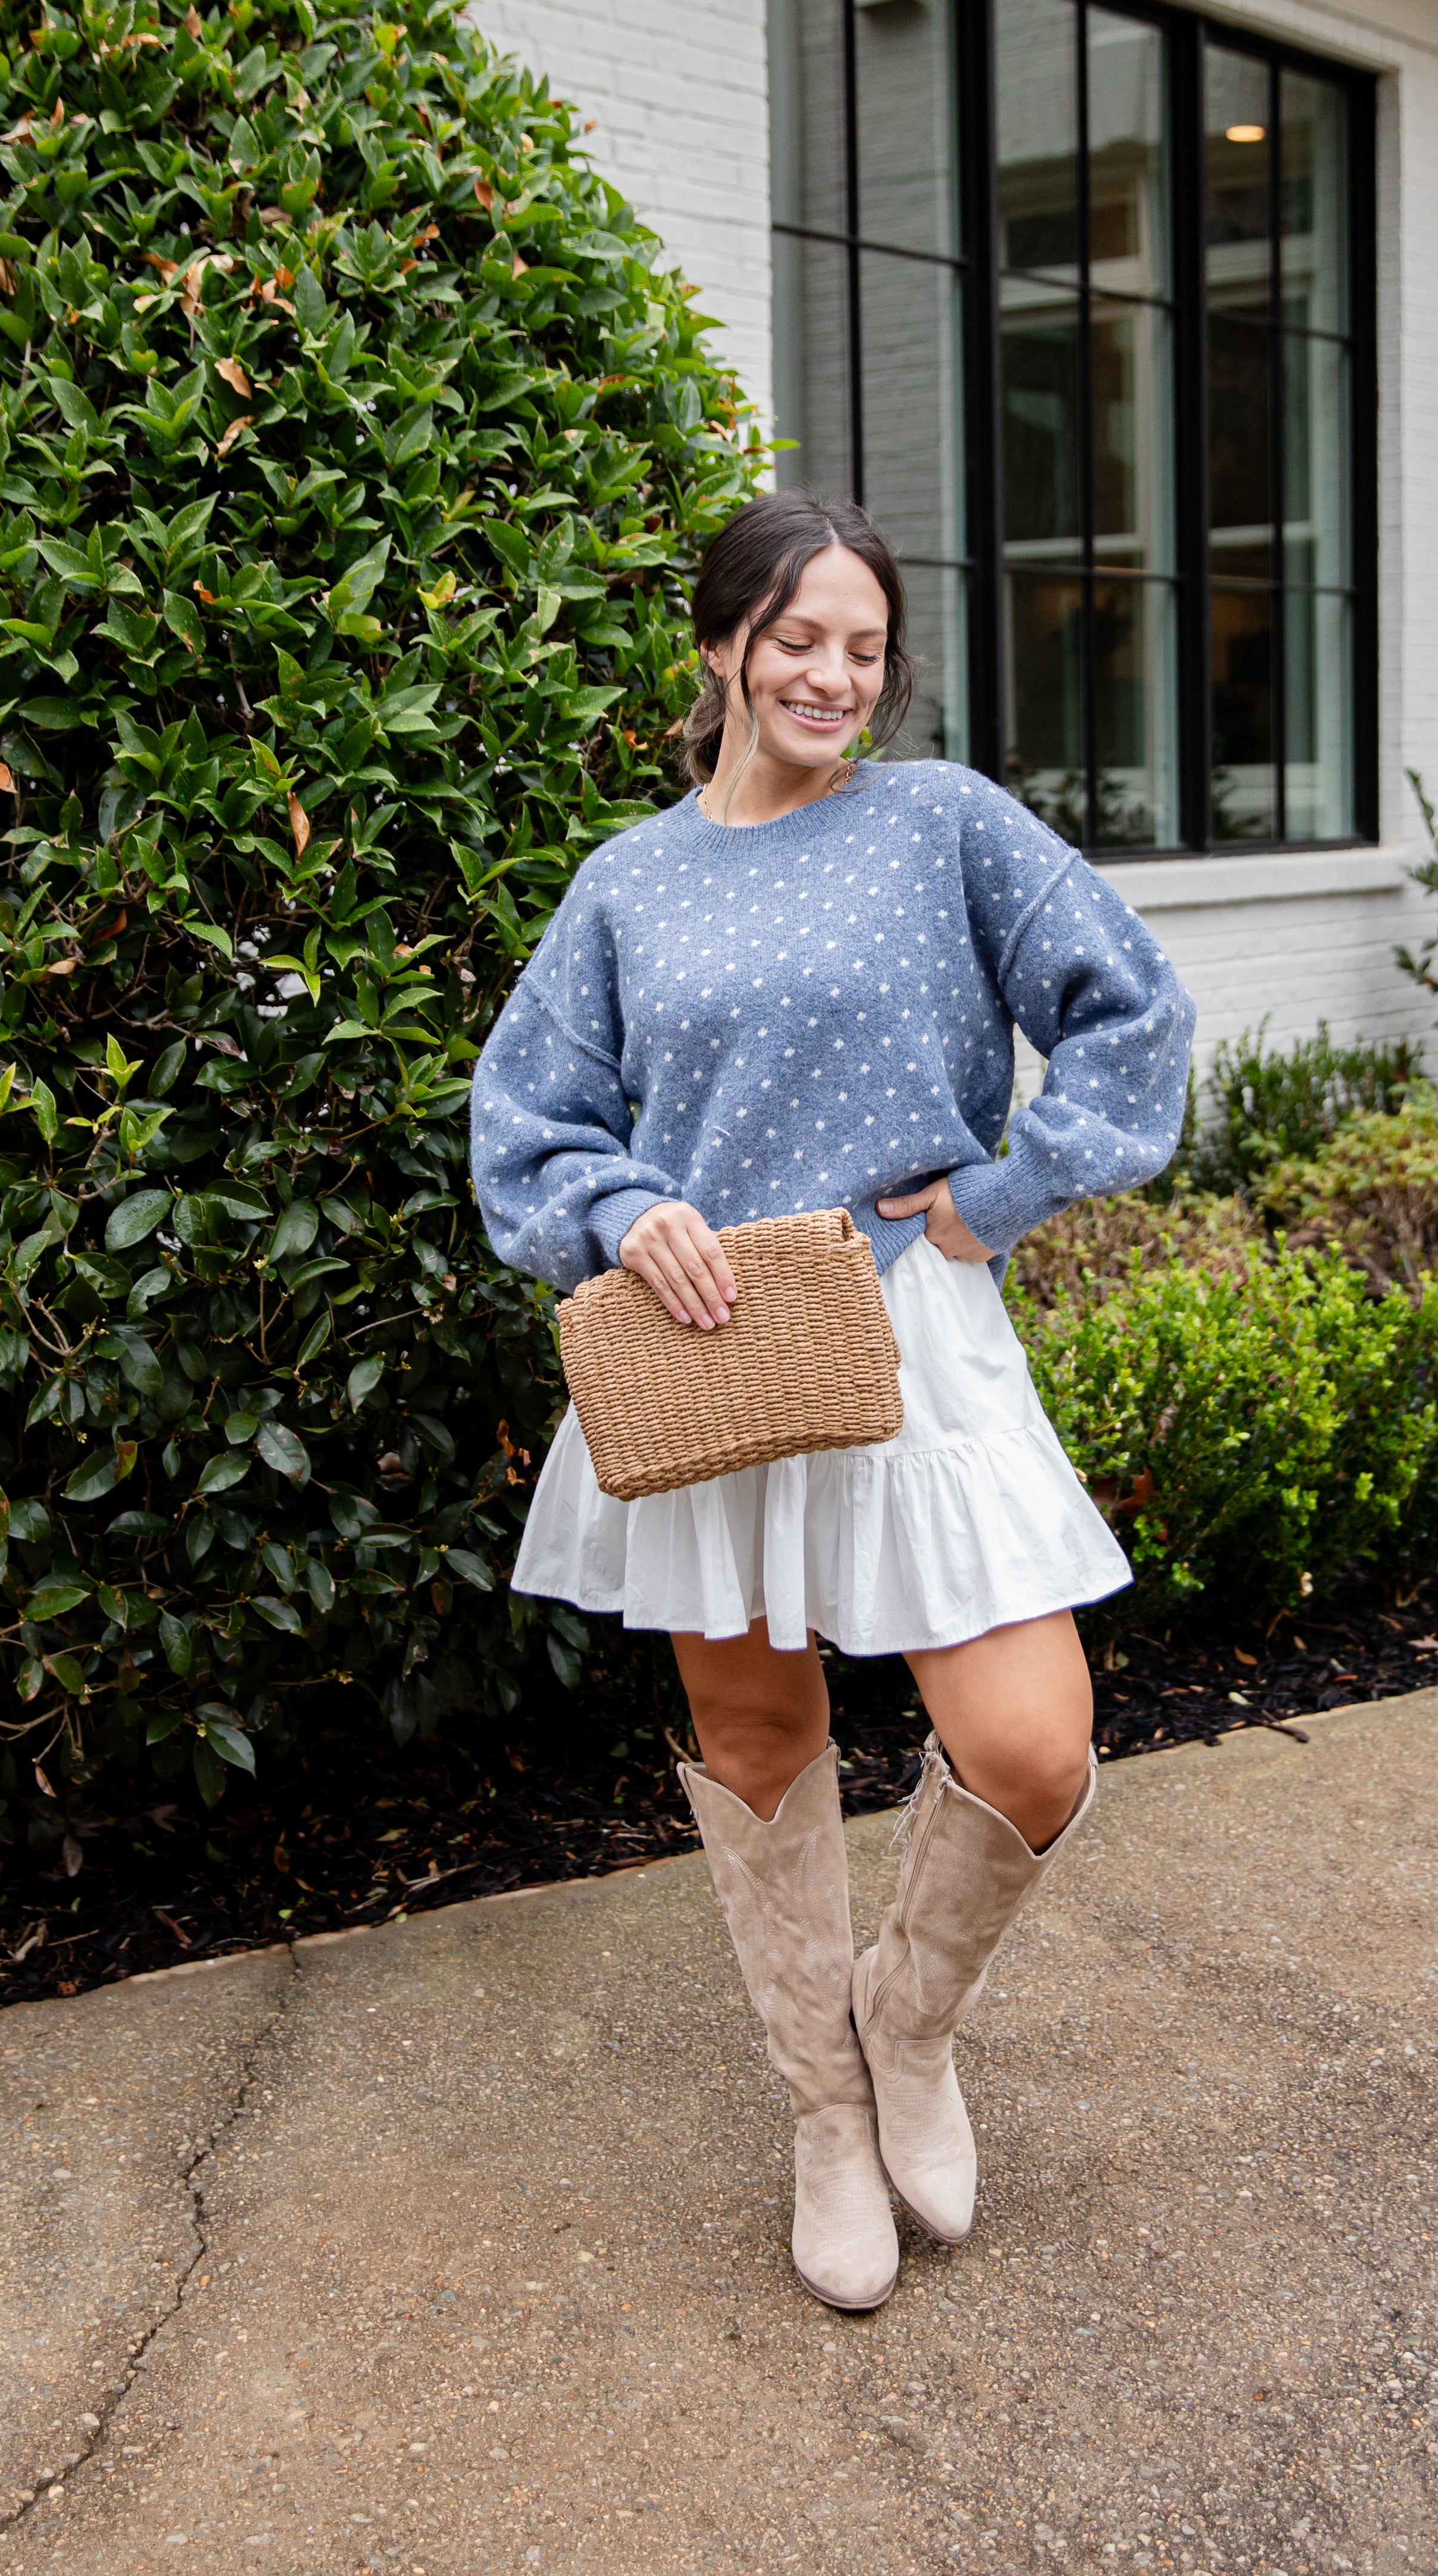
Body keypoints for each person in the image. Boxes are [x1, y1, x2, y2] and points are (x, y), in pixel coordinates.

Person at [472, 489, 1195, 2312]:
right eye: (797, 638)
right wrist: (620, 1209)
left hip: (913, 1334)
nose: (833, 675)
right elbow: (527, 1118)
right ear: (722, 646)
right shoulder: (628, 882)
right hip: (709, 1343)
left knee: (1031, 1744)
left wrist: (1002, 1194)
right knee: (755, 1736)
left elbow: (1135, 1011)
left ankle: (908, 2024)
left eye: (864, 647)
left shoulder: (942, 822)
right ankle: (821, 2107)